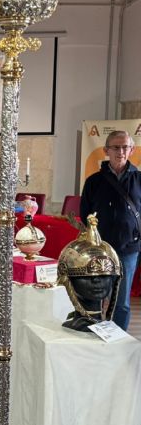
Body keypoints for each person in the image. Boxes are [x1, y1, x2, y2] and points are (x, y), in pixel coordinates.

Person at [80, 130, 141, 331]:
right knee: (95, 297)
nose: (120, 151)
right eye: (116, 147)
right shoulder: (93, 181)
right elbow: (85, 214)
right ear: (106, 150)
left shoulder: (139, 179)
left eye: (125, 147)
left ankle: (118, 339)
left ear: (131, 150)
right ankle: (95, 334)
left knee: (121, 302)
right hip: (99, 249)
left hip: (128, 249)